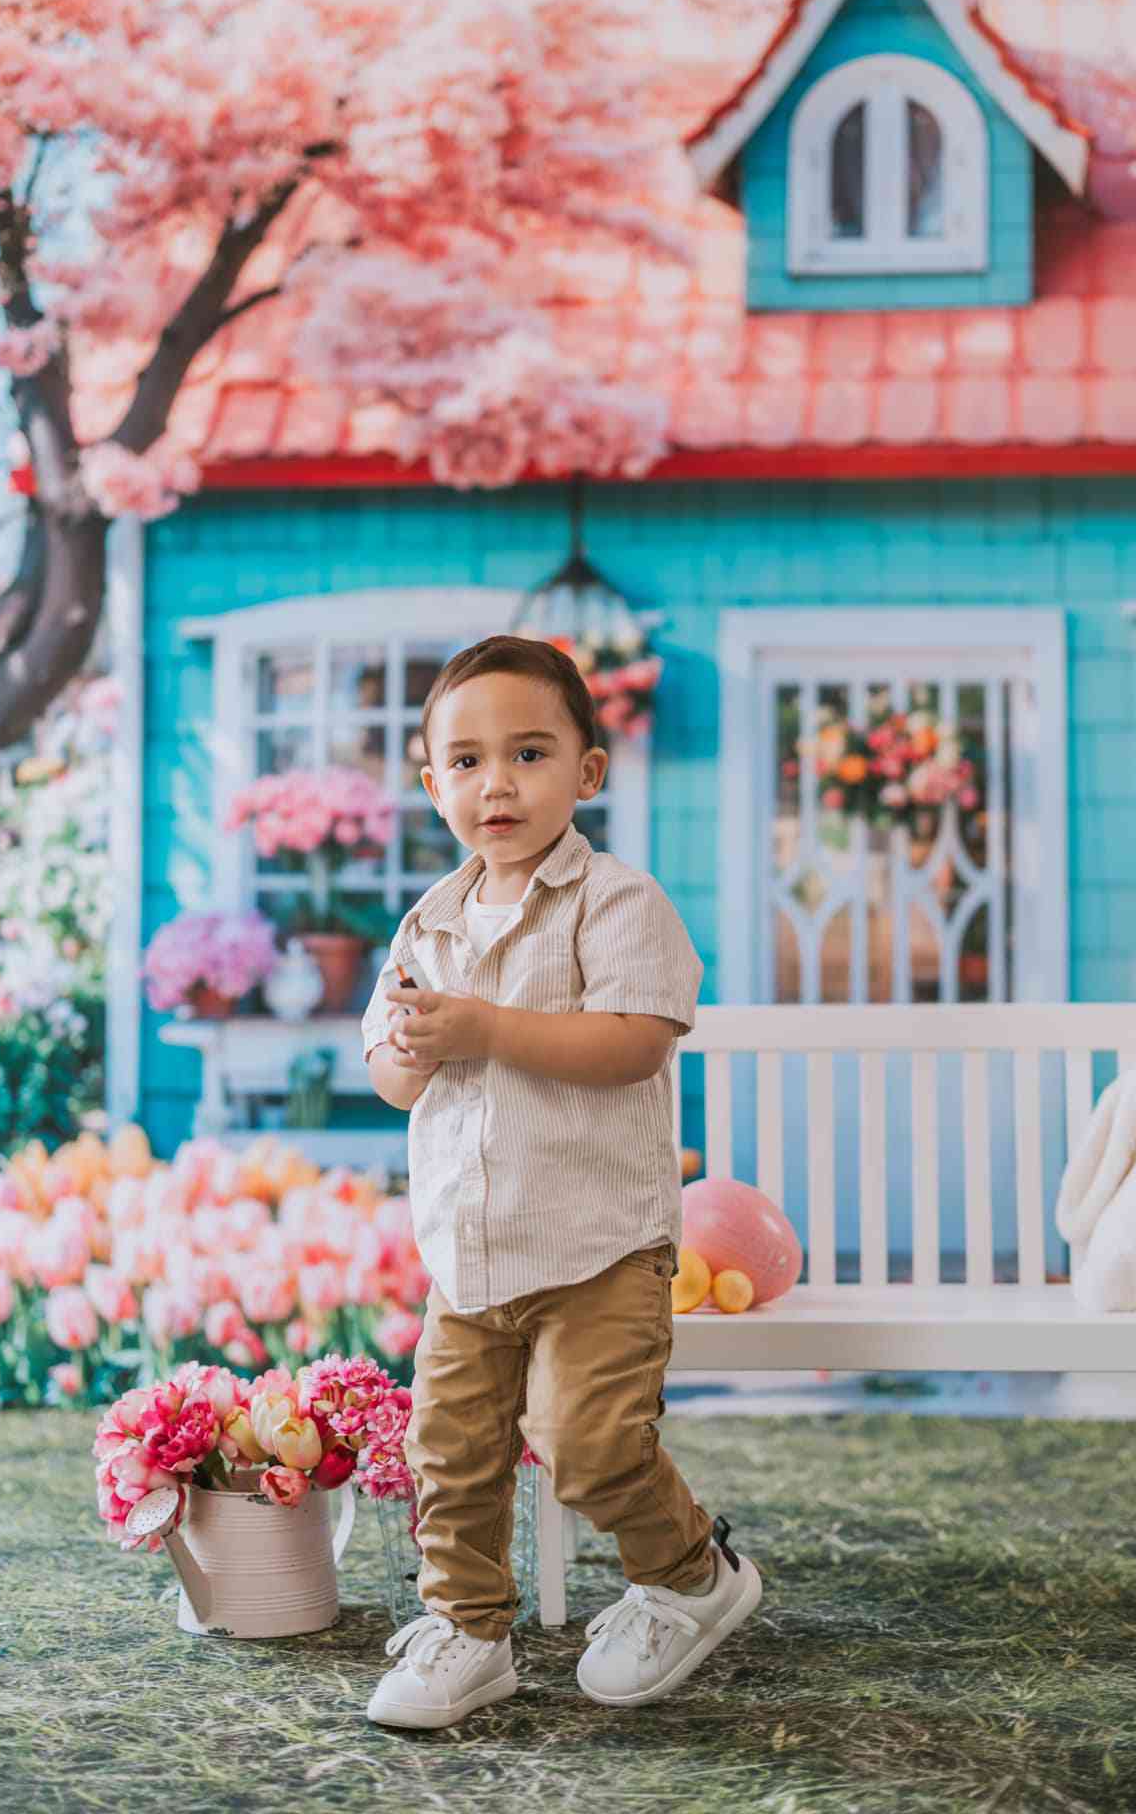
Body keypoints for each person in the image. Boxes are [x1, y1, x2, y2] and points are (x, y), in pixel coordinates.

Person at [360, 633, 762, 1731]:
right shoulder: (426, 923)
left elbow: (632, 1042)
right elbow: (392, 1075)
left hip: (598, 1245)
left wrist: (485, 1026)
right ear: (430, 776)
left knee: (585, 1438)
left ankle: (691, 1574)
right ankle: (468, 1628)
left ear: (586, 771)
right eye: (470, 759)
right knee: (446, 1451)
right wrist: (412, 1047)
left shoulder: (617, 902)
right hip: (471, 1249)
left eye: (530, 752)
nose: (499, 783)